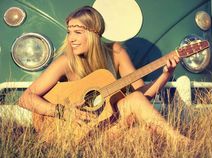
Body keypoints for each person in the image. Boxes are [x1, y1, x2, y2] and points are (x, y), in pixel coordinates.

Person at [18, 6, 189, 144]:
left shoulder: (116, 53)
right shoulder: (66, 62)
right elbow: (25, 98)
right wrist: (61, 111)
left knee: (142, 131)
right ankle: (179, 142)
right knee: (141, 133)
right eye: (69, 32)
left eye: (78, 32)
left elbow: (143, 96)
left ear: (94, 34)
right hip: (73, 133)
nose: (71, 39)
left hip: (106, 127)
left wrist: (166, 75)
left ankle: (179, 142)